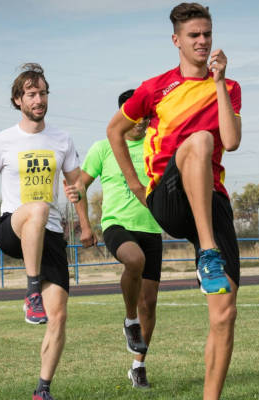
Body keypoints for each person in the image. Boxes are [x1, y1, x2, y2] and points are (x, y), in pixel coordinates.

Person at [106, 4, 241, 399]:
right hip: (168, 197)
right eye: (194, 35)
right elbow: (115, 130)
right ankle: (208, 254)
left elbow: (231, 142)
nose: (202, 42)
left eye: (207, 34)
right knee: (199, 140)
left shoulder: (228, 87)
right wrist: (134, 184)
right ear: (176, 40)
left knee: (225, 312)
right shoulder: (155, 88)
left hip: (211, 199)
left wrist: (218, 81)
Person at [0, 63, 85, 400]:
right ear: (18, 100)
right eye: (31, 94)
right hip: (13, 228)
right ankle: (31, 291)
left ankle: (42, 390)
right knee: (35, 207)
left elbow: (75, 182)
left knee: (59, 317)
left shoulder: (62, 139)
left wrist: (84, 216)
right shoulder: (3, 140)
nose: (38, 99)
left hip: (49, 235)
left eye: (42, 93)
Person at [78, 89, 164, 389]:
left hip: (152, 228)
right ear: (123, 115)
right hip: (117, 225)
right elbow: (80, 186)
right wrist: (85, 225)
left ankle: (138, 366)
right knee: (134, 259)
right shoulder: (103, 148)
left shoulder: (156, 145)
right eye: (136, 115)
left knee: (150, 304)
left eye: (147, 116)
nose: (142, 121)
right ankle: (130, 320)